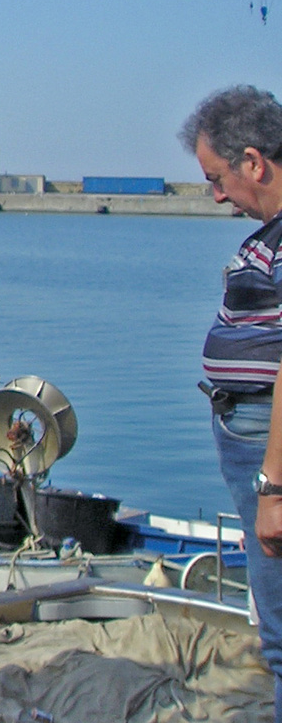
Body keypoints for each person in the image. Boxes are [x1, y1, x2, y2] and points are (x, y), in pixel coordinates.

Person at [183, 85, 282, 718]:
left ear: (254, 162)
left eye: (218, 178)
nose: (217, 194)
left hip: (269, 455)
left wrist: (273, 486)